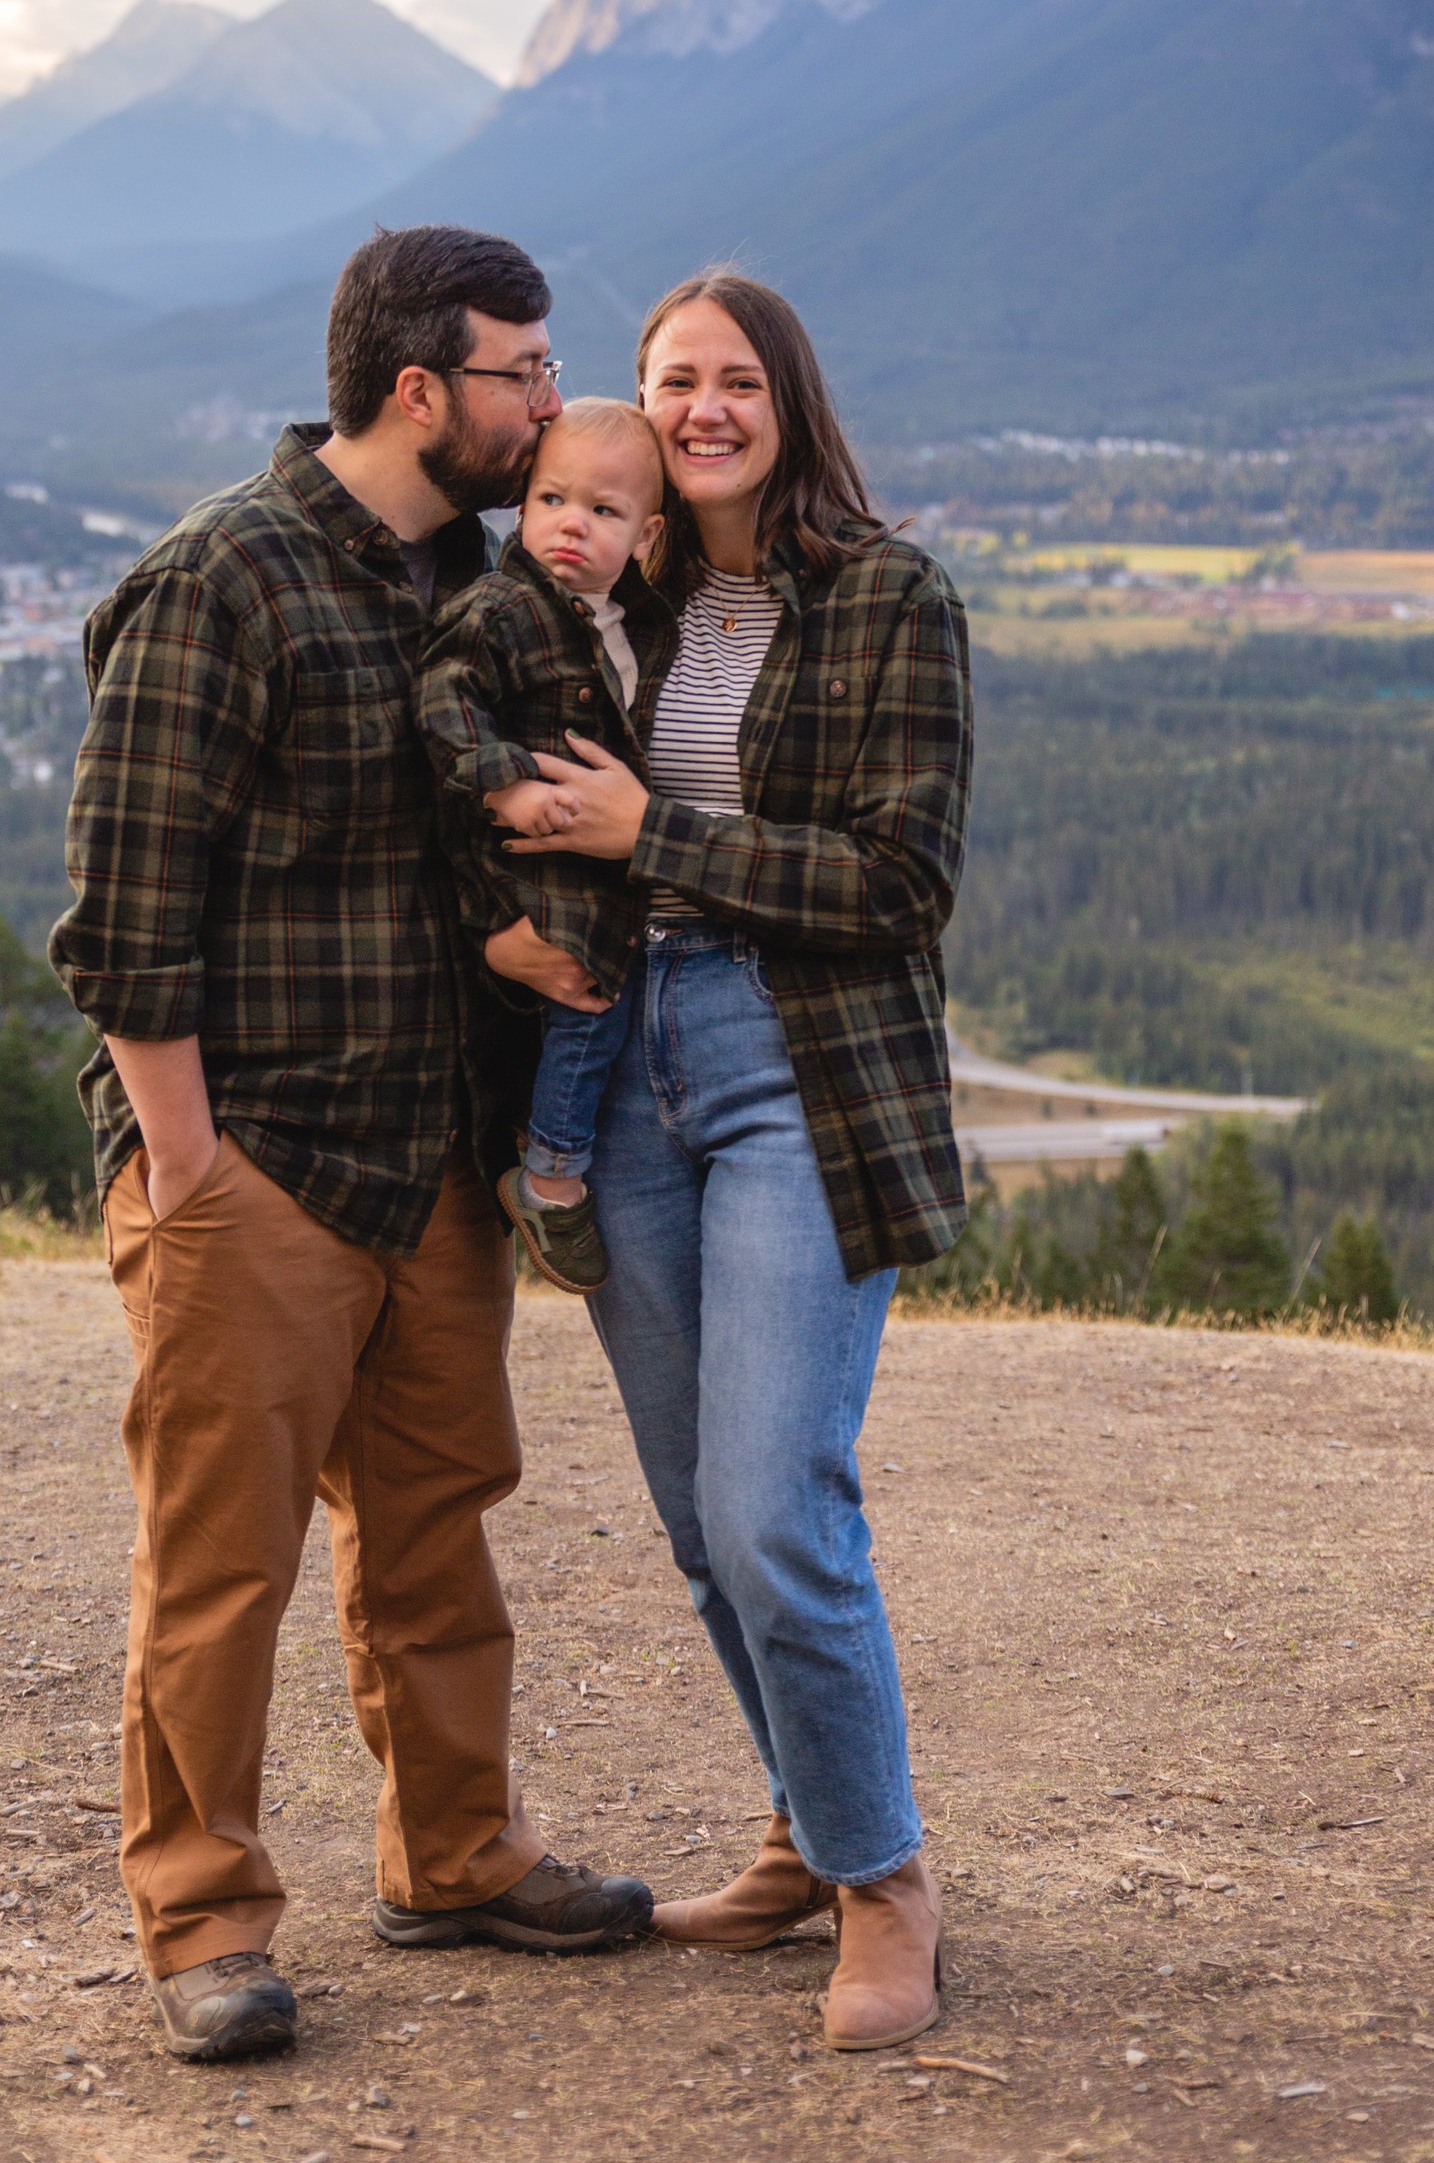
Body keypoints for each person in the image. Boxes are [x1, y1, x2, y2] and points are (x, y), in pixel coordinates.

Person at [48, 225, 654, 2069]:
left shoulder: (482, 582)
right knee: (220, 1565)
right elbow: (125, 911)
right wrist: (189, 1168)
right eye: (523, 375)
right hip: (260, 1167)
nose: (550, 407)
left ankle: (455, 1856)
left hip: (432, 1165)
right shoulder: (222, 580)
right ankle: (204, 1922)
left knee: (436, 1533)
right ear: (418, 390)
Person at [490, 268, 972, 2053]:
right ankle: (804, 1832)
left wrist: (658, 833)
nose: (704, 409)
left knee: (779, 1507)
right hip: (621, 1069)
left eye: (738, 381)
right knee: (703, 1522)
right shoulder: (618, 591)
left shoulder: (891, 598)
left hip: (798, 1066)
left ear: (792, 402)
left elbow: (904, 884)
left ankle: (887, 1885)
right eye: (674, 379)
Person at [415, 398, 675, 1294]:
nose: (571, 524)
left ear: (646, 535)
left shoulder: (635, 621)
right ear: (522, 506)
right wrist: (507, 785)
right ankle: (552, 1178)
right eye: (552, 500)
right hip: (529, 857)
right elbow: (442, 699)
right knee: (589, 998)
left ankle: (535, 1135)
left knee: (584, 1009)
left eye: (603, 511)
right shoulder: (503, 607)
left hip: (601, 861)